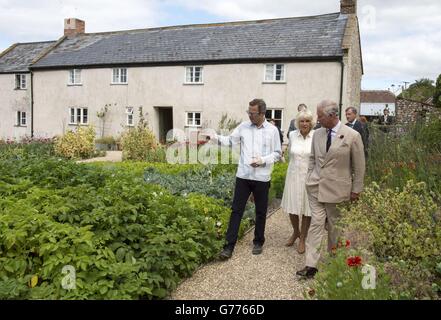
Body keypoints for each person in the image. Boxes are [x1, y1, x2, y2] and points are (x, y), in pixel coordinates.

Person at [296, 100, 365, 279]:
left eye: (320, 116)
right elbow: (312, 159)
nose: (317, 119)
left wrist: (356, 189)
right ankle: (311, 265)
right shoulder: (317, 134)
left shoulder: (352, 135)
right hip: (315, 188)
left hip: (338, 191)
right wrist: (309, 177)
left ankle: (335, 263)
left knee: (335, 228)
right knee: (316, 225)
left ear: (333, 116)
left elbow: (359, 166)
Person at [206, 98, 282, 259]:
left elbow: (277, 153)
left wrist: (262, 161)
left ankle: (258, 241)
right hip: (243, 175)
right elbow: (229, 141)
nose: (250, 116)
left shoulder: (272, 130)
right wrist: (215, 137)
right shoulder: (243, 126)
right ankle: (229, 246)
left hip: (262, 177)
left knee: (260, 211)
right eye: (249, 112)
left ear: (262, 113)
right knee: (236, 210)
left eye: (253, 113)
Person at [281, 110, 315, 254]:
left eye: (307, 121)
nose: (304, 124)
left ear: (311, 123)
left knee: (307, 209)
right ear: (298, 122)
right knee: (292, 206)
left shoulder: (316, 136)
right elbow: (290, 156)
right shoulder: (292, 135)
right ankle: (296, 232)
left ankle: (303, 238)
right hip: (293, 175)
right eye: (302, 121)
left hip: (309, 176)